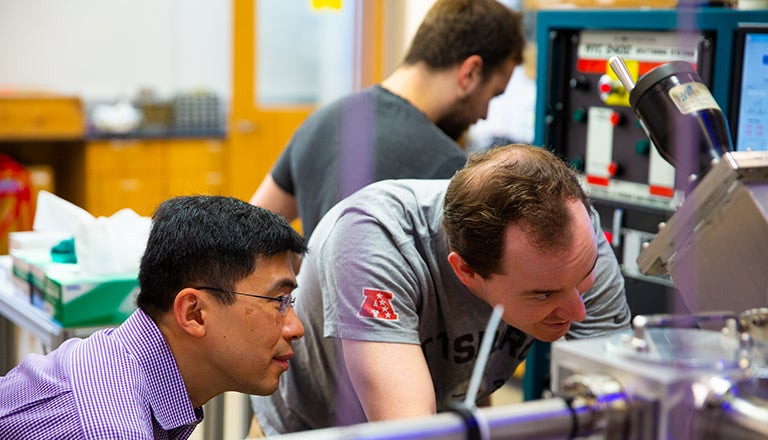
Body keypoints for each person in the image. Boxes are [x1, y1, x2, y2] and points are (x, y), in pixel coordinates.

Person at [250, 143, 632, 434]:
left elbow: (626, 402)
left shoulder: (576, 231)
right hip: (313, 429)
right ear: (465, 271)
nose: (578, 310)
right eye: (544, 294)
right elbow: (413, 434)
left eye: (585, 274)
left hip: (452, 405)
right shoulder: (371, 239)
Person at [0, 195, 307, 439]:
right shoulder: (110, 427)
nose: (296, 328)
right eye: (279, 301)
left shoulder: (118, 359)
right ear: (194, 313)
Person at [250, 0, 526, 239]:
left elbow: (254, 235)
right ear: (471, 73)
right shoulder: (448, 169)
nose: (484, 114)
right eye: (493, 94)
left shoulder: (322, 121)